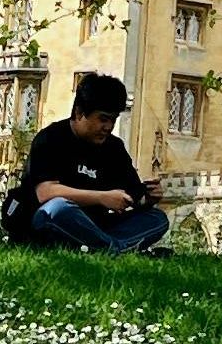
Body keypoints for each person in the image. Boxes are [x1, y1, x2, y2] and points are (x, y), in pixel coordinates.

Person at [13, 71, 170, 256]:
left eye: (113, 120)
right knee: (57, 209)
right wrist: (101, 197)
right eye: (103, 119)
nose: (108, 127)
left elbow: (131, 194)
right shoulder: (50, 138)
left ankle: (106, 248)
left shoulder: (114, 148)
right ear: (80, 113)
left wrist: (148, 198)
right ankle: (117, 249)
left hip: (96, 226)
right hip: (49, 221)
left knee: (157, 218)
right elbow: (46, 192)